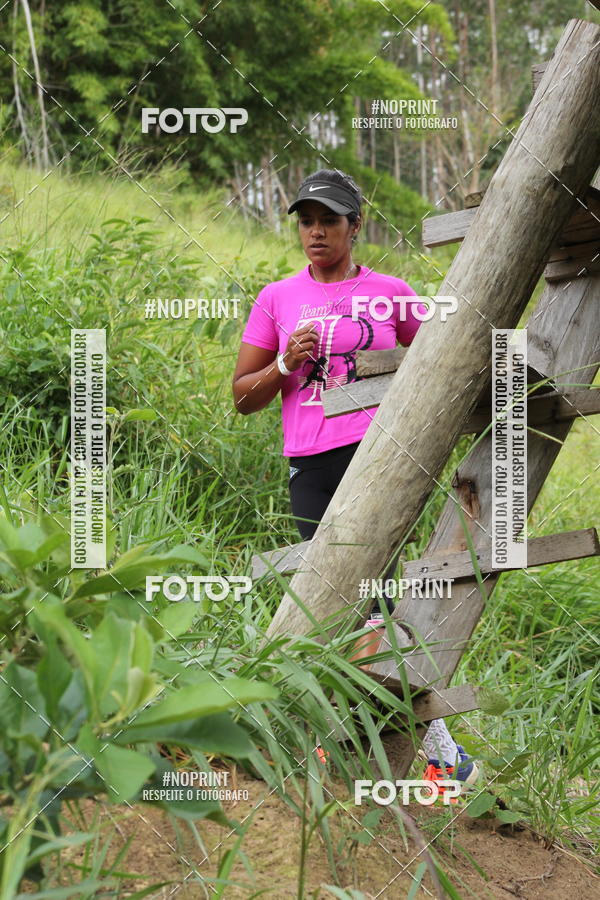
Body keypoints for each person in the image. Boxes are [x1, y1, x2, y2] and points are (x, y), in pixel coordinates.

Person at [232, 168, 478, 796]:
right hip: (312, 464)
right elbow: (242, 397)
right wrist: (288, 363)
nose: (316, 232)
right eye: (307, 220)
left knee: (372, 603)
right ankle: (423, 751)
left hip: (383, 460)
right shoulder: (277, 298)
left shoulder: (392, 292)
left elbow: (443, 360)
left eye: (329, 220)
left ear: (355, 226)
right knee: (329, 602)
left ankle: (415, 749)